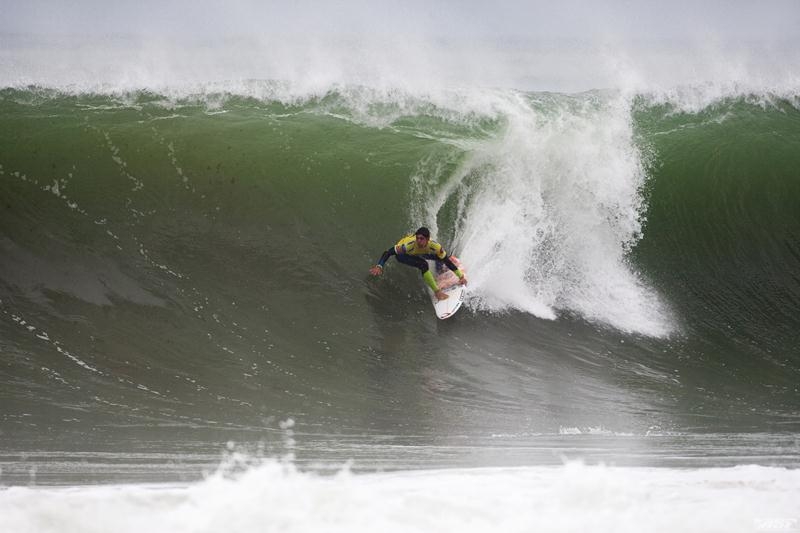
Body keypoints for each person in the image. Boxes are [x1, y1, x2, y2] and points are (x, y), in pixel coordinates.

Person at [369, 227, 467, 300]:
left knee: (441, 257)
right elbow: (388, 252)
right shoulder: (407, 246)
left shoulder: (435, 246)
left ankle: (441, 271)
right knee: (423, 264)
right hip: (404, 255)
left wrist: (461, 277)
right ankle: (437, 292)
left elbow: (446, 260)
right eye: (418, 238)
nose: (419, 241)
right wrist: (379, 266)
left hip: (419, 253)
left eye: (422, 239)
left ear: (428, 239)